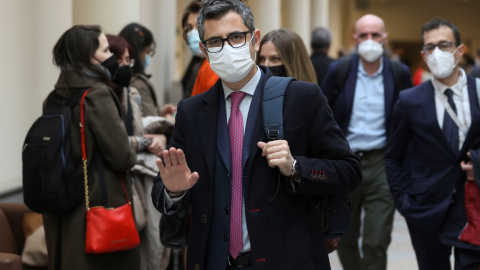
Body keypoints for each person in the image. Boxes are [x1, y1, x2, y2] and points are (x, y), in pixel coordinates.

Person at [151, 1, 362, 269]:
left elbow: (349, 171)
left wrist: (296, 167)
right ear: (204, 50)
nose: (227, 48)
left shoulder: (301, 98)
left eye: (236, 37)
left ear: (256, 40)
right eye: (215, 41)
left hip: (287, 259)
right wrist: (173, 191)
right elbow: (164, 190)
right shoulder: (192, 112)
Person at [384, 18, 480, 270]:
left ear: (459, 51)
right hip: (425, 207)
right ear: (423, 55)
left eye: (444, 45)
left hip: (472, 206)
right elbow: (394, 155)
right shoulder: (409, 99)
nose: (437, 53)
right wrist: (404, 202)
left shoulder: (479, 91)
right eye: (430, 47)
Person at [43, 25, 139, 270]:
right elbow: (122, 157)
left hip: (61, 209)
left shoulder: (53, 97)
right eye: (105, 49)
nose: (110, 57)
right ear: (89, 56)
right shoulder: (97, 95)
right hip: (98, 210)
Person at [321, 14, 412, 270]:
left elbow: (408, 116)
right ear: (354, 39)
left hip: (382, 163)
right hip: (346, 163)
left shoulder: (398, 72)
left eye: (375, 35)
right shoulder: (338, 71)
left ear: (385, 38)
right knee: (345, 236)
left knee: (376, 239)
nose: (369, 40)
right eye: (364, 35)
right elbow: (322, 113)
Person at [105, 34, 173, 270]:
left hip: (137, 178)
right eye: (121, 60)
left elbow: (133, 129)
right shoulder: (96, 97)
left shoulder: (131, 93)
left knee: (149, 239)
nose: (125, 66)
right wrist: (145, 142)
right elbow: (114, 142)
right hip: (111, 183)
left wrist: (161, 132)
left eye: (128, 60)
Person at [119, 23, 175, 117]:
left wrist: (159, 112)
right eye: (147, 52)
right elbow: (151, 123)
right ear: (137, 52)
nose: (148, 57)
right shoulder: (138, 84)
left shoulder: (124, 80)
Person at [181, 0, 219, 99]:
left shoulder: (213, 65)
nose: (192, 32)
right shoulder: (197, 61)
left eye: (198, 27)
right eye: (189, 28)